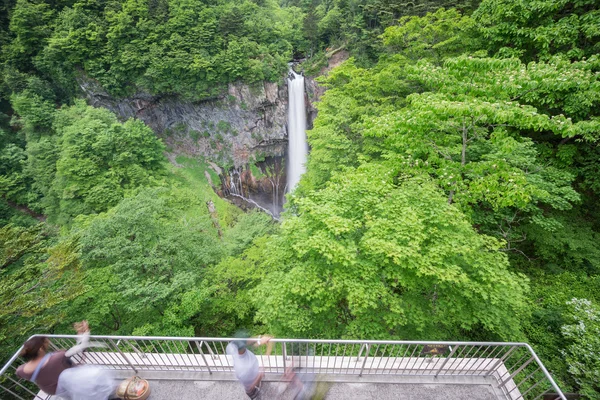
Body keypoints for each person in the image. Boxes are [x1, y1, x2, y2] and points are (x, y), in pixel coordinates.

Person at [16, 321, 117, 400]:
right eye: (46, 343)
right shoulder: (57, 358)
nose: (48, 344)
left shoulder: (21, 370)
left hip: (54, 391)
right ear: (41, 348)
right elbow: (80, 347)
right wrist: (85, 333)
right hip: (74, 384)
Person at [226, 330, 273, 399]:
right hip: (252, 387)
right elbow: (253, 385)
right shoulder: (245, 368)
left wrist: (260, 338)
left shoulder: (231, 346)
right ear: (244, 345)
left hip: (250, 374)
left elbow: (249, 342)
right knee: (255, 394)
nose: (250, 339)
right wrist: (260, 374)